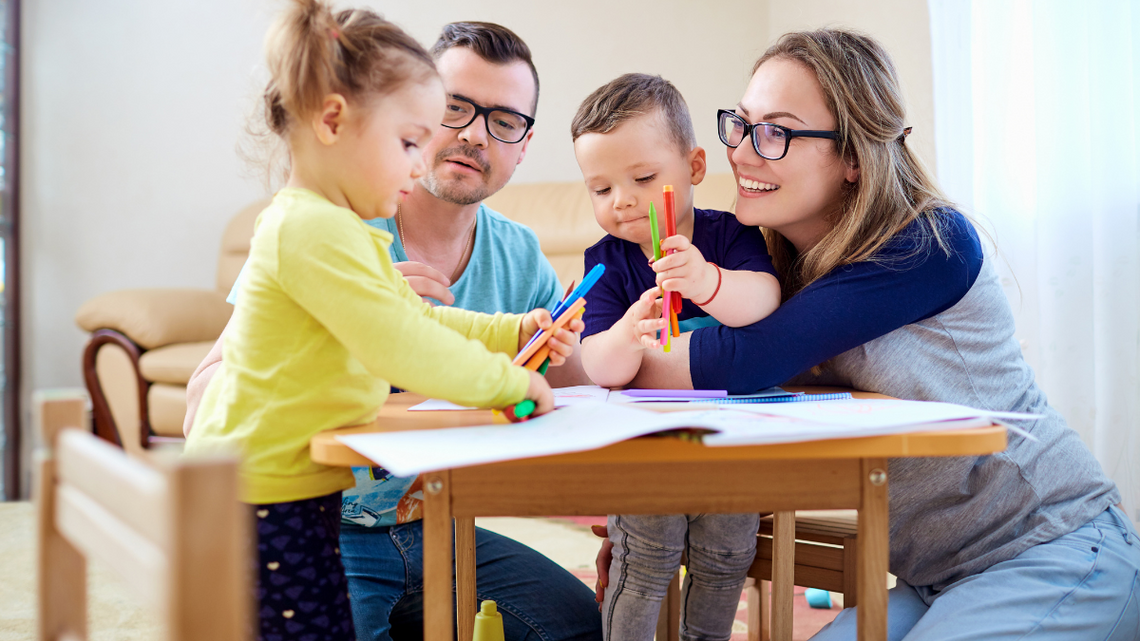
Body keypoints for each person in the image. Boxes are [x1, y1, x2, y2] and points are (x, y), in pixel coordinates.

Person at [593, 29, 1140, 640]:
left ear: (854, 156)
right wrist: (644, 526)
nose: (742, 153)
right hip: (932, 579)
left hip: (1053, 547)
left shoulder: (929, 243)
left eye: (776, 132)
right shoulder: (770, 273)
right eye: (741, 125)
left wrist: (608, 362)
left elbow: (740, 362)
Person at [186, 20, 603, 641]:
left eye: (503, 121)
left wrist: (517, 333)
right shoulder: (321, 229)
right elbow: (404, 343)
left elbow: (434, 327)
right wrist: (501, 383)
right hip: (293, 510)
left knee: (574, 625)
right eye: (445, 115)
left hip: (428, 521)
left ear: (523, 143)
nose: (466, 134)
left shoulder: (512, 254)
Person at [570, 73, 780, 640]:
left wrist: (709, 282)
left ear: (692, 168)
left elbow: (764, 303)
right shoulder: (607, 262)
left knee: (726, 557)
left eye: (642, 177)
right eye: (600, 188)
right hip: (647, 454)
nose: (622, 201)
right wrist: (626, 333)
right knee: (646, 560)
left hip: (730, 447)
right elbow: (602, 368)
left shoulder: (731, 235)